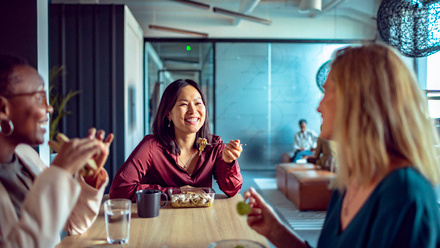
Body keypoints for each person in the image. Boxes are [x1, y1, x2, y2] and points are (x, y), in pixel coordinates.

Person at [244, 44, 440, 248]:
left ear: (358, 101)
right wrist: (275, 230)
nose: (318, 107)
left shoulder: (404, 193)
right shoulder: (348, 180)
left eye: (327, 92)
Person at [0, 54, 114, 248]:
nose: (49, 108)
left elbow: (74, 224)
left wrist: (90, 177)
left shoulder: (26, 157)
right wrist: (60, 171)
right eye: (39, 97)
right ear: (3, 108)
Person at [109, 79, 243, 201]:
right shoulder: (151, 146)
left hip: (203, 219)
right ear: (168, 113)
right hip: (160, 220)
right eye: (184, 104)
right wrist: (176, 192)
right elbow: (119, 191)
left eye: (198, 103)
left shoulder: (214, 145)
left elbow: (232, 190)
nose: (193, 110)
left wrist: (229, 162)